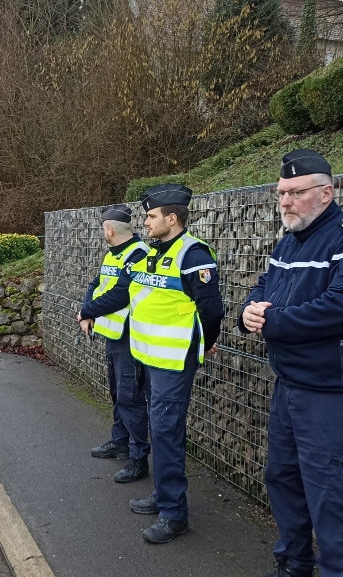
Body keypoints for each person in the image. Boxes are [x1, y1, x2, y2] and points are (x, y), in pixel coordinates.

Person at [239, 149, 343, 577]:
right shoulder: (289, 241)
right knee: (283, 480)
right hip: (289, 386)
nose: (286, 202)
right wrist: (250, 310)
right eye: (281, 193)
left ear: (326, 193)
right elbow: (265, 285)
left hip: (332, 394)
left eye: (296, 192)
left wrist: (273, 322)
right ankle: (293, 565)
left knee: (333, 499)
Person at [123, 183, 225, 544]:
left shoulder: (193, 254)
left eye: (151, 216)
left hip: (173, 362)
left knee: (166, 433)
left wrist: (204, 344)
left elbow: (211, 310)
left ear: (172, 218)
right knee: (161, 430)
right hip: (151, 360)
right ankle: (163, 494)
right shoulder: (153, 253)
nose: (145, 222)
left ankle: (173, 513)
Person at [78, 204, 151, 484]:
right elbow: (96, 284)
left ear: (109, 230)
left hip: (130, 339)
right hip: (114, 336)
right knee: (117, 392)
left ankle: (138, 457)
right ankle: (120, 441)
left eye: (103, 230)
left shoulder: (138, 254)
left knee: (130, 397)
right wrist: (86, 312)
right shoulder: (113, 254)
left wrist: (87, 312)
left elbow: (121, 294)